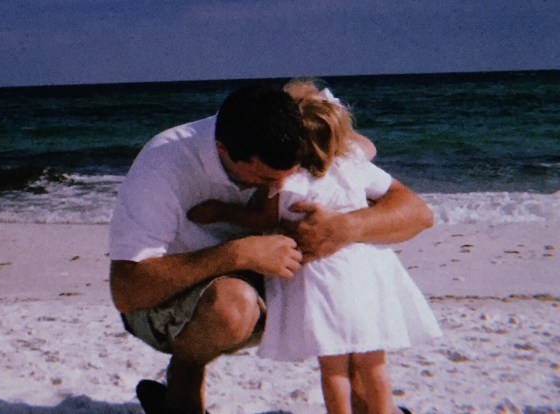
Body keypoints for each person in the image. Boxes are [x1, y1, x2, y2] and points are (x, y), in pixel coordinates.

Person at [109, 83, 434, 414]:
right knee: (233, 305)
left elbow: (418, 213)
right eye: (265, 181)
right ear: (223, 151)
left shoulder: (295, 141)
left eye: (289, 174)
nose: (279, 187)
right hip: (169, 299)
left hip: (274, 277)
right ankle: (185, 377)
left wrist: (344, 228)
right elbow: (127, 291)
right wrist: (238, 253)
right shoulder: (165, 162)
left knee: (348, 301)